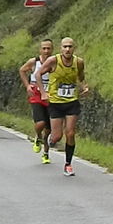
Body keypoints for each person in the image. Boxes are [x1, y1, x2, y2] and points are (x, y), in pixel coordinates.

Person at [35, 36, 88, 176]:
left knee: (70, 133)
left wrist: (84, 87)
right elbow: (38, 74)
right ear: (61, 48)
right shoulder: (53, 61)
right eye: (65, 46)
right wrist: (43, 92)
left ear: (74, 48)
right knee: (57, 137)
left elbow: (81, 77)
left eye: (70, 46)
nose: (67, 49)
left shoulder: (79, 62)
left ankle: (68, 164)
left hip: (72, 102)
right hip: (56, 103)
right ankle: (47, 141)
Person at [19, 38, 53, 164]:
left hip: (51, 96)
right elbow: (22, 70)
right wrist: (27, 85)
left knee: (49, 130)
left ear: (52, 49)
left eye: (48, 48)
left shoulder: (55, 62)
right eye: (44, 48)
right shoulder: (34, 62)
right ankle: (37, 136)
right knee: (40, 124)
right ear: (40, 49)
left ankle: (46, 153)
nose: (46, 51)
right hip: (37, 95)